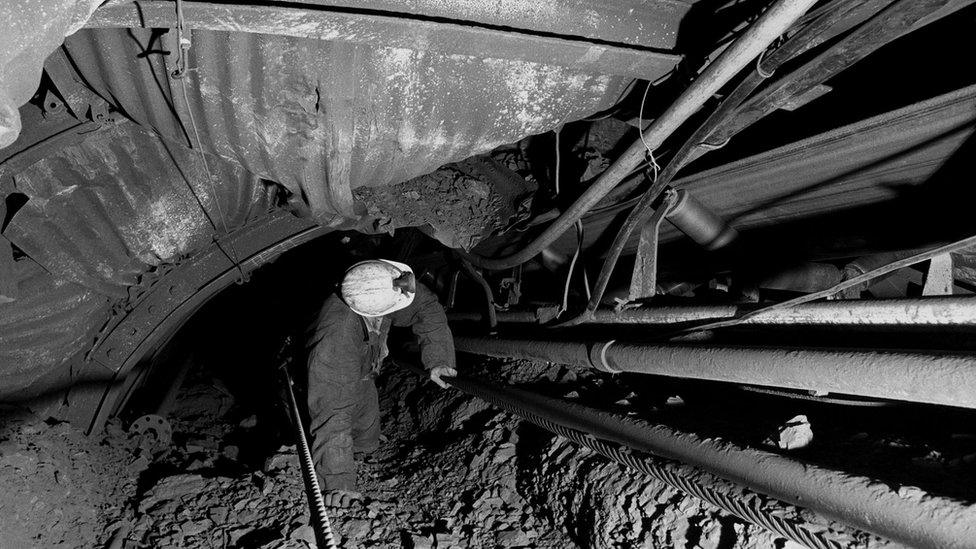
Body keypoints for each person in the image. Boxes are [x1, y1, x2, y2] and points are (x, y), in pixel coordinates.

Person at [305, 259, 457, 508]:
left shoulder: (380, 283)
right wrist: (338, 484)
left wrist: (438, 359)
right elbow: (332, 413)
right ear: (371, 313)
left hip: (364, 368)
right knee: (338, 416)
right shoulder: (336, 334)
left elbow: (426, 306)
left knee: (368, 438)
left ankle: (364, 452)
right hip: (337, 371)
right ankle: (336, 475)